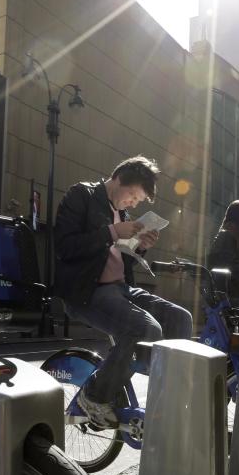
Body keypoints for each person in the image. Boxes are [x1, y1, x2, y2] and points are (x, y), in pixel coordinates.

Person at [54, 155, 193, 428]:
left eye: (137, 201)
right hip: (87, 290)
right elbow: (65, 247)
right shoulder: (82, 195)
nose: (132, 203)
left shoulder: (124, 215)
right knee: (146, 330)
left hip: (120, 288)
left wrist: (140, 245)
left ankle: (167, 396)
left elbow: (121, 259)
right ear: (118, 179)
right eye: (132, 195)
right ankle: (94, 395)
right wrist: (112, 231)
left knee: (181, 318)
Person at [206, 200, 239, 302]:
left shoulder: (228, 239)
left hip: (229, 296)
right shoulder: (226, 238)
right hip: (227, 298)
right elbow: (234, 268)